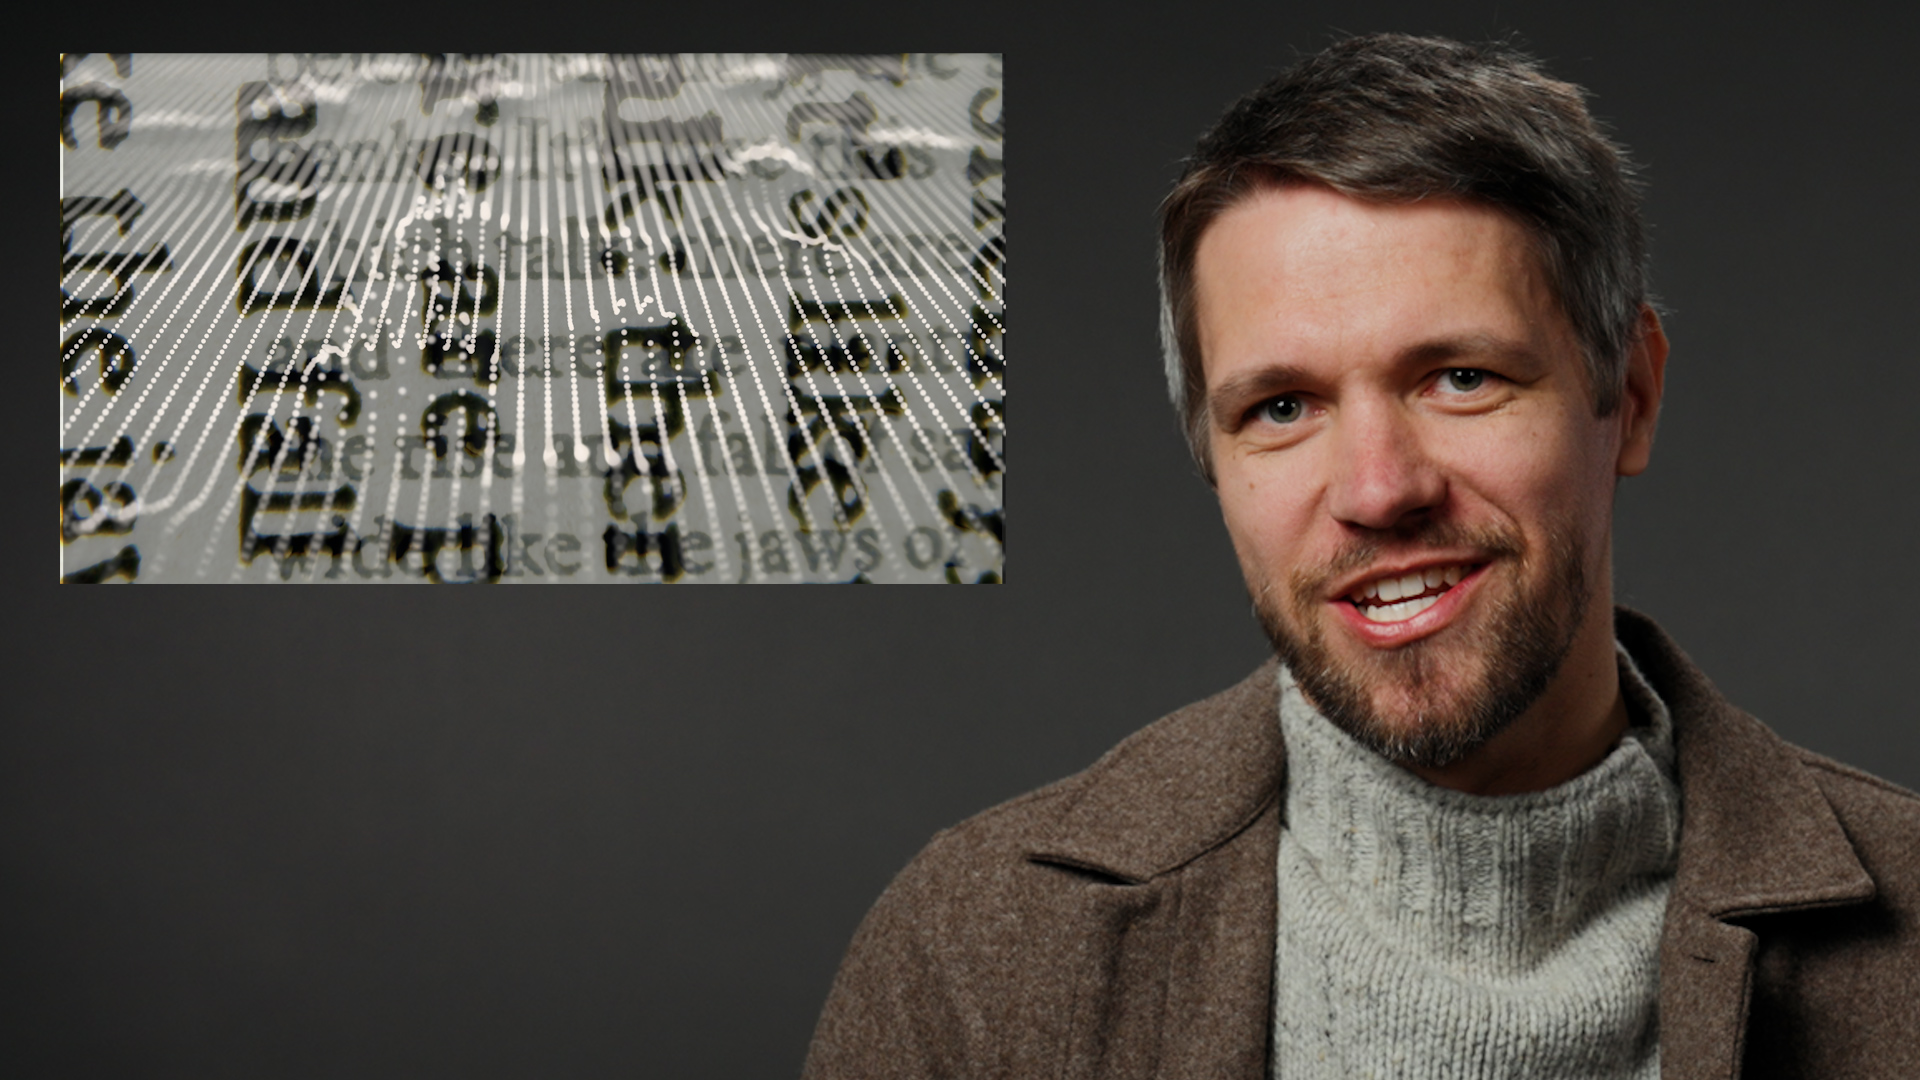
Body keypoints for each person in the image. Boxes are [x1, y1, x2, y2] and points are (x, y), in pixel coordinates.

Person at [803, 33, 1918, 1079]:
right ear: (1213, 455)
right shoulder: (975, 961)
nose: (1380, 489)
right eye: (1282, 406)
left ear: (1626, 398)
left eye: (1461, 378)